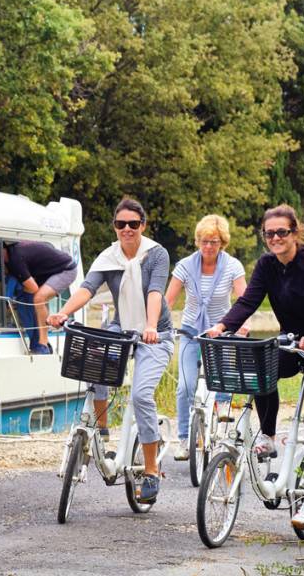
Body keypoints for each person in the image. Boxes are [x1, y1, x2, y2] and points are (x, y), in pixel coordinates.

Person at [205, 204, 304, 529]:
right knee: (262, 369)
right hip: (292, 343)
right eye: (269, 233)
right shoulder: (267, 265)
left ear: (295, 232)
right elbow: (247, 301)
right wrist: (221, 326)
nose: (275, 238)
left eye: (282, 232)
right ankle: (268, 436)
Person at [48, 198, 173, 504]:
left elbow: (156, 291)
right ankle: (101, 431)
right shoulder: (109, 257)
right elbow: (87, 288)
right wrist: (63, 312)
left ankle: (152, 471)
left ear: (142, 226)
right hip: (122, 326)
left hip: (156, 333)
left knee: (141, 395)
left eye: (133, 224)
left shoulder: (156, 254)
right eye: (121, 224)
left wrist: (152, 325)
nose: (127, 229)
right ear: (114, 227)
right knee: (93, 360)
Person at [164, 215, 248, 461]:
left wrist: (243, 326)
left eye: (213, 241)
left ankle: (221, 430)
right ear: (197, 241)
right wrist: (159, 325)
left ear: (222, 242)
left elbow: (244, 300)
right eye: (203, 241)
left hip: (222, 332)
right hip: (192, 331)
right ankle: (183, 439)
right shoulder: (185, 266)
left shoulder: (233, 266)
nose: (208, 246)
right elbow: (168, 301)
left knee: (221, 385)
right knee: (185, 387)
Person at [0, 241, 78, 354]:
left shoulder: (15, 261)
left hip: (66, 269)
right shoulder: (12, 254)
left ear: (1, 250)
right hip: (48, 272)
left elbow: (33, 288)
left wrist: (19, 296)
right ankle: (41, 340)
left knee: (39, 298)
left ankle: (43, 344)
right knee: (34, 297)